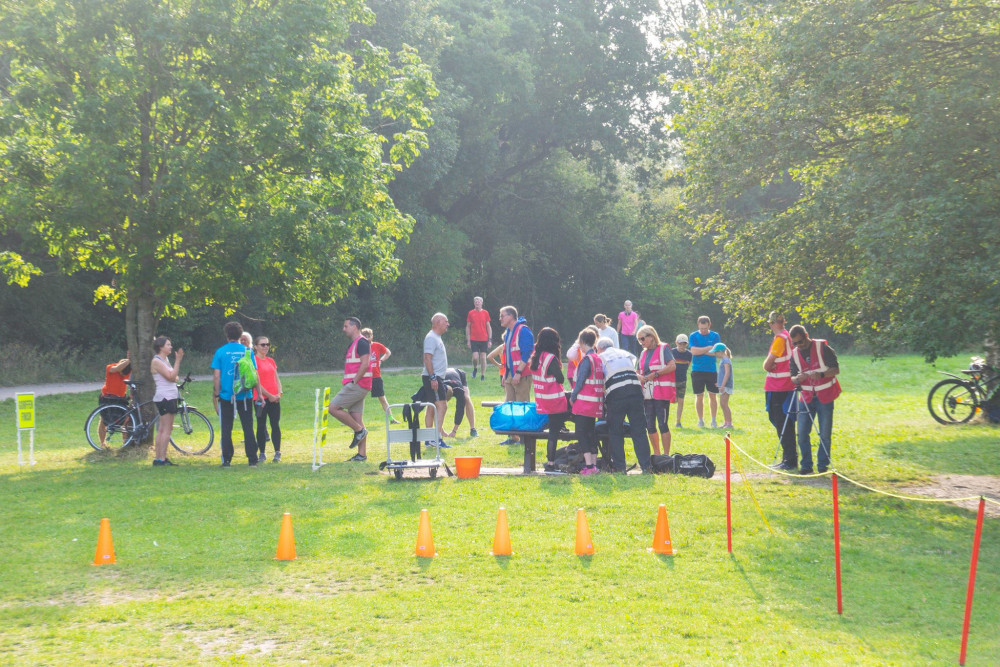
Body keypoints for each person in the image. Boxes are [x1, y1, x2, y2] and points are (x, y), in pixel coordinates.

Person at [788, 325, 841, 474]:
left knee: (825, 434)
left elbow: (836, 369)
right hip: (805, 397)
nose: (799, 345)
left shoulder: (823, 348)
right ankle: (806, 466)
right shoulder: (794, 354)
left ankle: (822, 466)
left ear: (806, 335)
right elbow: (792, 377)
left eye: (801, 341)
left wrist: (822, 375)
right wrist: (797, 378)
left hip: (825, 396)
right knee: (802, 433)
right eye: (796, 343)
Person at [597, 337, 651, 473]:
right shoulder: (625, 353)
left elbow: (599, 378)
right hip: (635, 391)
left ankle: (620, 467)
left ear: (600, 349)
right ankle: (646, 466)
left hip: (616, 394)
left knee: (615, 431)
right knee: (639, 430)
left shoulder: (600, 357)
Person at [212, 321, 259, 467]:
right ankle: (252, 458)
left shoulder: (220, 352)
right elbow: (254, 374)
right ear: (240, 335)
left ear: (226, 335)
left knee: (226, 428)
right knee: (248, 426)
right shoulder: (247, 351)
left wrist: (217, 392)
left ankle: (226, 459)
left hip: (227, 396)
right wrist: (259, 394)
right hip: (245, 395)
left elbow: (216, 376)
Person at [328, 317, 373, 462]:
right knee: (356, 418)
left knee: (333, 408)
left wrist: (354, 381)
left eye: (346, 326)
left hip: (358, 385)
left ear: (354, 327)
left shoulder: (361, 342)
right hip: (358, 385)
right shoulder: (354, 344)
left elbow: (365, 364)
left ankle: (359, 431)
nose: (344, 329)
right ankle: (362, 454)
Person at [528, 327, 572, 468]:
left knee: (553, 430)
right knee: (556, 431)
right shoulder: (550, 358)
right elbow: (560, 379)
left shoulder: (535, 357)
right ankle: (553, 461)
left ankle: (551, 460)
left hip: (543, 400)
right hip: (555, 400)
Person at [762, 312, 798, 470]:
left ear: (772, 324)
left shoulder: (780, 339)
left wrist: (770, 365)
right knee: (786, 423)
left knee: (782, 423)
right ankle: (789, 458)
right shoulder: (787, 336)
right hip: (787, 385)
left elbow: (767, 365)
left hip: (778, 386)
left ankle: (789, 460)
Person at [636, 325, 676, 456]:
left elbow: (672, 366)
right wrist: (639, 377)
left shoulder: (664, 348)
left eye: (642, 339)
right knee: (650, 426)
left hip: (661, 394)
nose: (641, 342)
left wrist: (656, 374)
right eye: (639, 340)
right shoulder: (643, 353)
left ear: (651, 336)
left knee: (662, 424)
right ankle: (657, 455)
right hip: (647, 394)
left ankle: (666, 455)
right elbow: (637, 371)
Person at [568, 329, 603, 475]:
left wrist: (572, 396)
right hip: (595, 403)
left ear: (582, 342)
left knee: (581, 433)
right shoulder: (598, 358)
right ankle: (594, 464)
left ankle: (589, 466)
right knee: (591, 433)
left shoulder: (586, 360)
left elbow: (580, 380)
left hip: (584, 403)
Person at [499, 305, 534, 444]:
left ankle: (525, 438)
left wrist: (518, 372)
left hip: (522, 374)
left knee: (522, 405)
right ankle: (513, 437)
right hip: (510, 375)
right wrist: (506, 374)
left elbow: (527, 353)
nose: (500, 318)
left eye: (503, 315)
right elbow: (508, 355)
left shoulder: (523, 331)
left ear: (511, 316)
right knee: (509, 405)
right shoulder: (508, 332)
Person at [150, 337, 183, 466]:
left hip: (167, 396)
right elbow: (171, 376)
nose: (171, 347)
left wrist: (174, 375)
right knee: (166, 429)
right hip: (166, 397)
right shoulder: (157, 361)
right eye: (168, 345)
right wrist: (178, 361)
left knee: (163, 429)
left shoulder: (165, 360)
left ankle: (159, 458)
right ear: (160, 347)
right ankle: (161, 459)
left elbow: (175, 377)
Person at [421, 312, 451, 447]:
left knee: (431, 407)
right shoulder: (431, 337)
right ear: (438, 322)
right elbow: (427, 358)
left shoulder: (436, 337)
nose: (448, 324)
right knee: (442, 405)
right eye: (446, 321)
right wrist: (433, 377)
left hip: (435, 377)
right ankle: (436, 439)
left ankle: (429, 440)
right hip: (433, 377)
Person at [253, 335, 283, 463]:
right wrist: (269, 395)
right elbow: (256, 381)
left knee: (275, 424)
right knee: (261, 426)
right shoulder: (254, 361)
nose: (266, 347)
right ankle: (262, 453)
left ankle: (277, 452)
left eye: (267, 344)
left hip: (274, 399)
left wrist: (279, 393)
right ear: (256, 347)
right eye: (262, 345)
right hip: (261, 399)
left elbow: (277, 378)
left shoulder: (271, 361)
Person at [688, 315, 721, 428]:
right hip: (697, 370)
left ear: (709, 325)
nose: (703, 331)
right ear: (698, 326)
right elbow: (693, 351)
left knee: (712, 395)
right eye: (701, 328)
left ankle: (713, 420)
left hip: (711, 370)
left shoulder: (715, 335)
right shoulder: (693, 336)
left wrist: (701, 350)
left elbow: (716, 353)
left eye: (705, 328)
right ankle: (701, 420)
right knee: (699, 395)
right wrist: (708, 348)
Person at [362, 327, 399, 424]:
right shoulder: (360, 347)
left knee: (382, 399)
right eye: (364, 337)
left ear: (372, 336)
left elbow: (388, 352)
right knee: (358, 398)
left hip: (376, 377)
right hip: (364, 377)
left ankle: (391, 419)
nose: (367, 339)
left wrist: (381, 360)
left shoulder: (377, 345)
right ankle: (351, 419)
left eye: (368, 336)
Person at [97, 356, 131, 448]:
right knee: (103, 420)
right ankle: (102, 443)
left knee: (125, 421)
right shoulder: (110, 367)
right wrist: (129, 359)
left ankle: (125, 444)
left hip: (120, 400)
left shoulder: (127, 372)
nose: (123, 374)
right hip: (107, 398)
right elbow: (116, 369)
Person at [440, 367, 478, 438]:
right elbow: (437, 408)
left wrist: (454, 430)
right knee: (440, 405)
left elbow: (460, 409)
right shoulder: (441, 388)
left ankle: (473, 429)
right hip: (445, 376)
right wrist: (441, 430)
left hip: (459, 374)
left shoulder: (459, 390)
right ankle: (439, 429)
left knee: (466, 398)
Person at [466, 296, 492, 380]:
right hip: (474, 339)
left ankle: (482, 375)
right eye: (476, 302)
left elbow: (488, 326)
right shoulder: (470, 313)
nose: (477, 303)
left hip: (484, 338)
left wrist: (490, 339)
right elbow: (468, 327)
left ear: (482, 303)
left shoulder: (485, 313)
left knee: (483, 357)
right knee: (475, 358)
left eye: (479, 302)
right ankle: (475, 368)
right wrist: (468, 340)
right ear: (474, 303)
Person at [672, 334, 692, 428]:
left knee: (681, 401)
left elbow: (687, 365)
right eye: (680, 344)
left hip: (682, 380)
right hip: (671, 381)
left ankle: (678, 421)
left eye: (684, 344)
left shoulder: (689, 354)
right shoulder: (672, 352)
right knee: (671, 400)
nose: (682, 346)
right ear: (676, 343)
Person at [713, 343, 734, 428]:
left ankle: (729, 424)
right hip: (723, 385)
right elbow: (722, 374)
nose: (714, 354)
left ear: (720, 352)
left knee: (724, 404)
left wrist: (722, 385)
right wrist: (719, 383)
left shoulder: (726, 360)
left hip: (726, 386)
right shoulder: (724, 360)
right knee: (722, 404)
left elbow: (727, 373)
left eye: (715, 352)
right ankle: (726, 422)